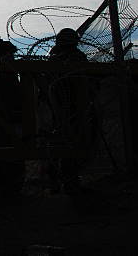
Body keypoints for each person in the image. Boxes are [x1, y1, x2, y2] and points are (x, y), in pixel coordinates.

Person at [47, 28, 92, 194]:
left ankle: (58, 180)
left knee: (61, 143)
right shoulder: (76, 57)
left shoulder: (54, 58)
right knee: (71, 143)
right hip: (73, 108)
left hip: (60, 108)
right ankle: (68, 181)